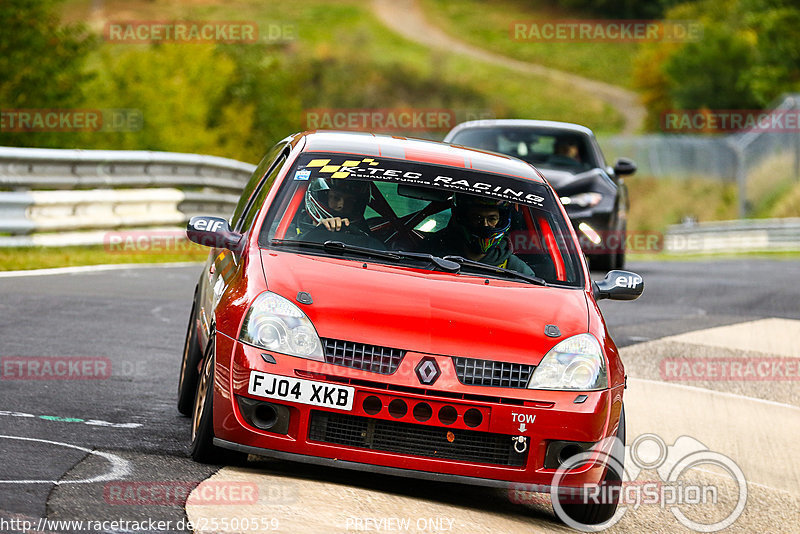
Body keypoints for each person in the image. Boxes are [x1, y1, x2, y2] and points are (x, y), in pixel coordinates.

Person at [423, 193, 535, 276]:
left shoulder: (516, 269)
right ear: (464, 218)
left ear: (501, 221)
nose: (485, 225)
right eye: (477, 218)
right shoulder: (430, 253)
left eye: (492, 219)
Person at [300, 178, 385, 248]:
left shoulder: (364, 236)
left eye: (350, 201)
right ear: (323, 197)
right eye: (336, 198)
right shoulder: (290, 228)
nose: (342, 205)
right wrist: (317, 231)